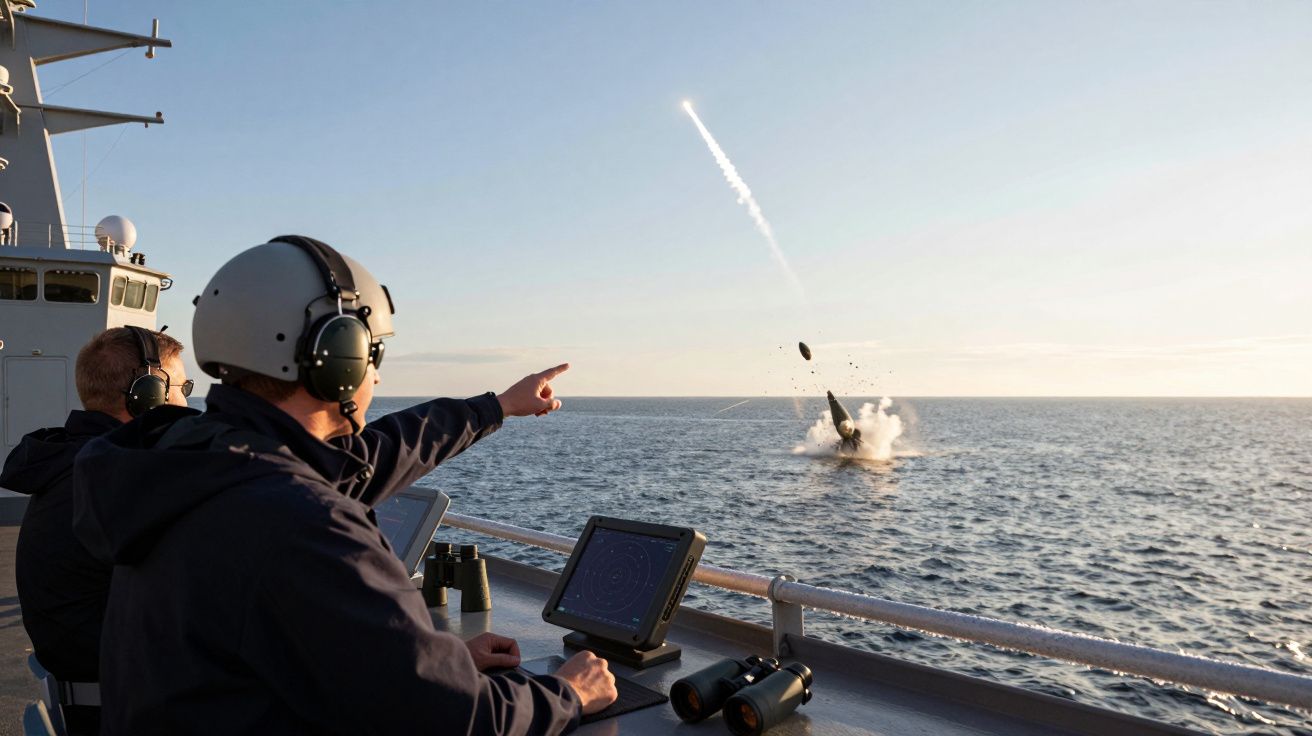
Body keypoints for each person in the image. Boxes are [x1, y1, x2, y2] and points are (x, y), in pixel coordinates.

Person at [73, 235, 616, 735]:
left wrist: (496, 406)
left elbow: (375, 455)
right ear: (336, 356)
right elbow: (453, 721)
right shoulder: (301, 524)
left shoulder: (190, 458)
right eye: (373, 353)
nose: (376, 375)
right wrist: (568, 692)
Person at [1, 326, 192, 735]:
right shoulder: (114, 483)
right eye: (182, 386)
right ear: (147, 397)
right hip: (130, 713)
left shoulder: (73, 467)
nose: (187, 400)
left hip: (96, 703)